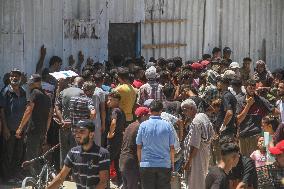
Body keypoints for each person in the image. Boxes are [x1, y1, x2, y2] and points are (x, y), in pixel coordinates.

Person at [47, 120, 110, 189]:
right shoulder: (73, 152)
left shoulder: (102, 154)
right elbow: (60, 178)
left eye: (82, 131)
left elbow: (103, 182)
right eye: (76, 131)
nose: (77, 135)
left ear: (91, 134)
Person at [16, 74, 52, 175]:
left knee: (31, 156)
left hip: (33, 130)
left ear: (37, 83)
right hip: (42, 131)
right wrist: (46, 132)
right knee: (37, 155)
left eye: (31, 83)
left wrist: (20, 128)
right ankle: (40, 177)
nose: (29, 85)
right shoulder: (47, 96)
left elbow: (28, 110)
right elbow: (49, 116)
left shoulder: (34, 93)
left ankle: (34, 178)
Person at [136, 100, 175, 189]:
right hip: (164, 165)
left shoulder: (143, 125)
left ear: (150, 110)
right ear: (161, 111)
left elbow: (139, 147)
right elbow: (172, 148)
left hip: (147, 165)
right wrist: (172, 164)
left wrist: (140, 162)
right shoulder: (167, 125)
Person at [0, 69, 27, 181]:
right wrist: (5, 128)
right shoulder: (5, 91)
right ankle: (6, 177)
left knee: (18, 153)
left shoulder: (23, 91)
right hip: (9, 129)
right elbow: (1, 111)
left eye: (16, 76)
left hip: (20, 130)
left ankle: (14, 175)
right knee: (7, 154)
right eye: (12, 76)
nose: (14, 78)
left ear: (20, 78)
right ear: (9, 78)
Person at [182, 99, 214, 189]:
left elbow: (195, 145)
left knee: (196, 181)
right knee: (202, 177)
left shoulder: (196, 121)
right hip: (205, 152)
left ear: (192, 108)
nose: (184, 113)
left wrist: (189, 161)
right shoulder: (203, 116)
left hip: (197, 156)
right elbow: (212, 134)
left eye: (185, 110)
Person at [236, 79, 273, 157]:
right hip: (243, 136)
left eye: (254, 87)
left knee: (260, 162)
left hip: (257, 136)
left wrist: (267, 135)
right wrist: (248, 105)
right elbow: (238, 120)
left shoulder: (261, 100)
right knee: (246, 163)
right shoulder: (239, 101)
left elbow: (274, 111)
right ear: (246, 87)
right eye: (250, 87)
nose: (252, 89)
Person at [55, 76, 84, 167]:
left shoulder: (63, 92)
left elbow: (57, 107)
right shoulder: (81, 93)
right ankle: (74, 171)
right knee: (75, 149)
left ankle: (64, 172)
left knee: (63, 149)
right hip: (76, 126)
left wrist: (62, 120)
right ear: (81, 84)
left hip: (63, 126)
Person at [119, 107, 150, 189]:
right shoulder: (141, 127)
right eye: (148, 116)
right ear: (143, 116)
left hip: (123, 160)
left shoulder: (131, 125)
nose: (149, 118)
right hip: (131, 162)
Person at [106, 91, 126, 186]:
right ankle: (121, 183)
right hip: (120, 138)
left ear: (117, 101)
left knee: (107, 160)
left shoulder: (115, 111)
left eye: (110, 100)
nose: (108, 102)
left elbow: (113, 122)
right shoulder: (121, 110)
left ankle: (105, 184)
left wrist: (110, 134)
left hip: (114, 139)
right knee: (117, 161)